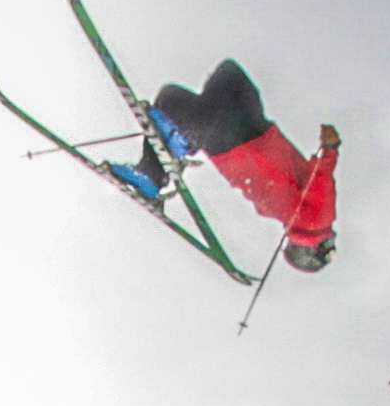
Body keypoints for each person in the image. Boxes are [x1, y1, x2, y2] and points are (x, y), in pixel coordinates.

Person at [134, 59, 339, 270]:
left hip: (254, 134)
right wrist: (330, 148)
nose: (331, 240)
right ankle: (162, 162)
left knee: (227, 76)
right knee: (172, 98)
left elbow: (314, 176)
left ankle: (172, 152)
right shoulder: (315, 221)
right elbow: (320, 178)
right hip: (237, 146)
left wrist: (329, 149)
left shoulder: (295, 214)